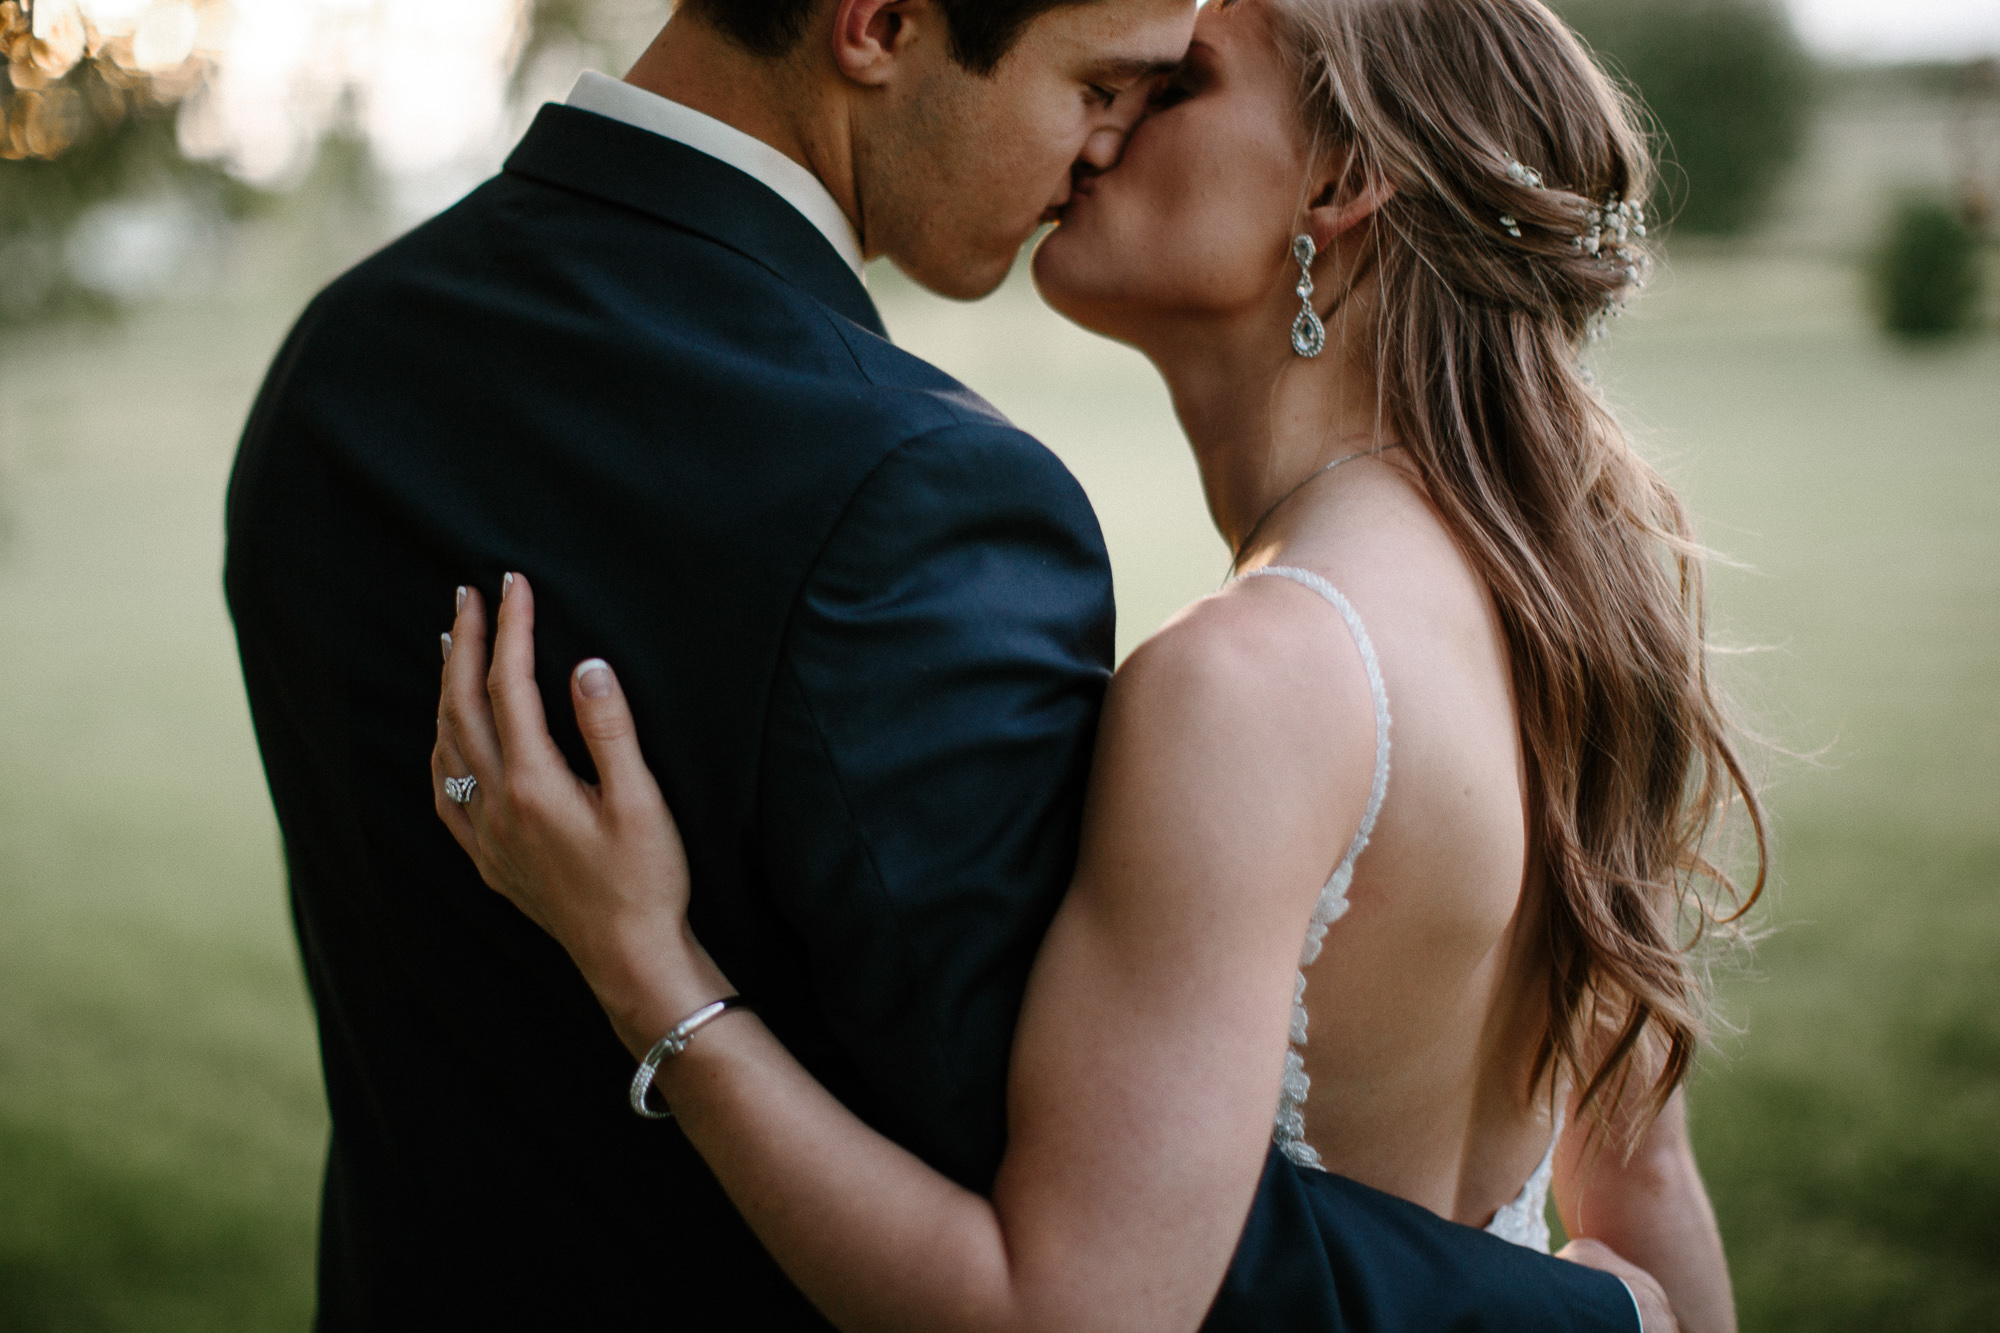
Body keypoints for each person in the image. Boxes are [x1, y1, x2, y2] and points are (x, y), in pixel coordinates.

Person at [228, 0, 1682, 1325]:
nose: (1109, 133)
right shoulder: (1564, 603)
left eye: (1163, 91)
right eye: (1109, 80)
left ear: (1342, 187)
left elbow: (1080, 1264)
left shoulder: (336, 375)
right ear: (877, 25)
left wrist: (652, 969)